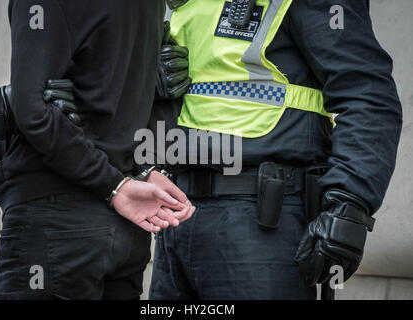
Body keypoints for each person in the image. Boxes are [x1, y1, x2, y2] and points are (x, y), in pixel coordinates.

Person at [147, 0, 403, 300]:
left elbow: (367, 95)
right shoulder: (182, 5)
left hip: (263, 218)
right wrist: (146, 83)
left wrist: (350, 204)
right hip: (176, 211)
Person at [0, 0, 194, 300]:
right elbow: (167, 83)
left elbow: (31, 110)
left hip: (57, 219)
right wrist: (141, 171)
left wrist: (116, 185)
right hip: (127, 226)